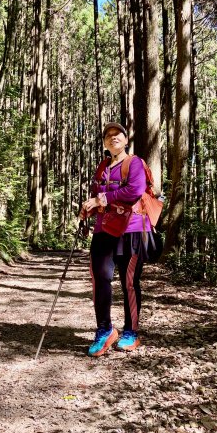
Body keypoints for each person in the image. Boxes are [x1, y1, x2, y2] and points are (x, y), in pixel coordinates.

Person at [81, 122, 153, 357]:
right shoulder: (102, 166)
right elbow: (97, 195)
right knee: (99, 278)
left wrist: (102, 199)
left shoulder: (135, 163)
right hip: (104, 229)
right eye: (108, 136)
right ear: (104, 142)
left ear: (126, 139)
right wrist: (89, 207)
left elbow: (134, 190)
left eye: (118, 134)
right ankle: (104, 330)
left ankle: (131, 331)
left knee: (129, 282)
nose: (113, 138)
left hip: (131, 229)